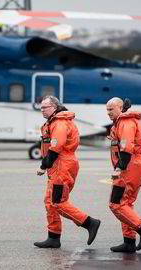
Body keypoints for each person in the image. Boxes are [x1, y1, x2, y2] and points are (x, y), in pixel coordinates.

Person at [34, 96, 101, 248]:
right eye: (41, 108)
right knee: (50, 202)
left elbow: (55, 148)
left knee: (58, 202)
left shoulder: (60, 124)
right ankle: (53, 237)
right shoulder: (52, 122)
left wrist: (43, 166)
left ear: (55, 107)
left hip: (63, 166)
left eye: (45, 107)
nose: (42, 110)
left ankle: (89, 222)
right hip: (56, 166)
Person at [105, 97, 141, 253]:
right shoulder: (128, 121)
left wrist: (120, 168)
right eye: (107, 110)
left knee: (116, 203)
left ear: (120, 107)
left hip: (129, 167)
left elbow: (126, 148)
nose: (108, 113)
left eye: (111, 109)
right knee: (126, 204)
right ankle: (129, 241)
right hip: (135, 165)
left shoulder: (126, 122)